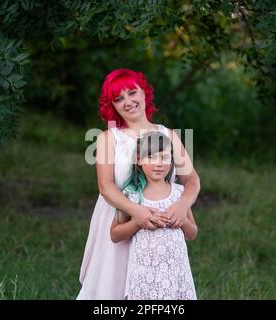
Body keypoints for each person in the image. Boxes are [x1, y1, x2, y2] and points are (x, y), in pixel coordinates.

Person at [77, 68, 200, 299]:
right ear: (112, 105)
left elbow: (192, 179)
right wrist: (137, 212)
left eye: (132, 93)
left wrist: (183, 205)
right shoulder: (108, 138)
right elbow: (106, 187)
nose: (128, 102)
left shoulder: (168, 135)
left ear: (144, 93)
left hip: (159, 228)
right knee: (112, 288)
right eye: (119, 98)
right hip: (122, 216)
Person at [111, 131, 198, 300]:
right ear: (139, 160)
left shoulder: (179, 194)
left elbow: (192, 233)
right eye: (151, 157)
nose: (159, 164)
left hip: (175, 275)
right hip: (144, 277)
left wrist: (181, 220)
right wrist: (137, 223)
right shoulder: (131, 195)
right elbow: (115, 235)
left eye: (164, 157)